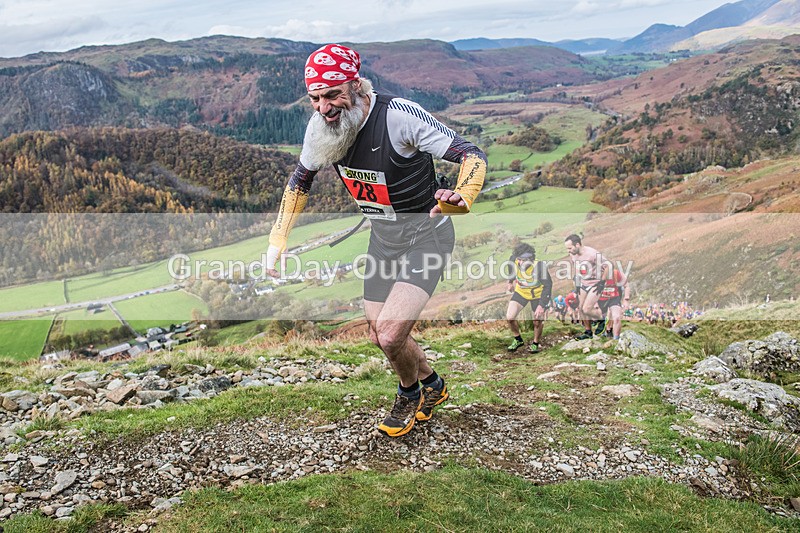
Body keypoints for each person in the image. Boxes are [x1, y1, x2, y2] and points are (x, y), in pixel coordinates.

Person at [265, 44, 487, 438]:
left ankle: (409, 394)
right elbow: (300, 180)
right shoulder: (321, 126)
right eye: (315, 98)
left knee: (389, 334)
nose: (323, 107)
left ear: (356, 85)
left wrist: (462, 196)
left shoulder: (399, 116)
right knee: (379, 332)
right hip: (383, 240)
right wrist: (278, 239)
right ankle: (434, 385)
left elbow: (472, 155)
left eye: (332, 95)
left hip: (427, 236)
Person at [505, 243, 552, 353]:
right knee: (510, 317)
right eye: (519, 259)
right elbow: (511, 269)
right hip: (521, 292)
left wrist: (541, 305)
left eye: (523, 260)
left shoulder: (539, 267)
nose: (520, 263)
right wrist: (510, 282)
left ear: (530, 259)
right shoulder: (513, 260)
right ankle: (518, 339)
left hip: (538, 295)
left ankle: (535, 343)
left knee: (537, 321)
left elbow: (548, 285)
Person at [564, 234, 609, 340]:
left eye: (570, 248)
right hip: (583, 283)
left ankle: (602, 319)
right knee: (580, 308)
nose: (568, 251)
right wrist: (577, 282)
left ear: (578, 245)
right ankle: (588, 332)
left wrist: (602, 282)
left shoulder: (592, 254)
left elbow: (607, 266)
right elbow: (577, 267)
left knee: (587, 309)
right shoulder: (573, 255)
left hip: (596, 283)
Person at [597, 267, 629, 339]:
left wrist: (626, 299)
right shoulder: (593, 276)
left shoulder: (616, 273)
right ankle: (607, 330)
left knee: (616, 317)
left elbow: (626, 285)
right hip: (600, 299)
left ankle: (615, 338)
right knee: (605, 317)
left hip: (614, 297)